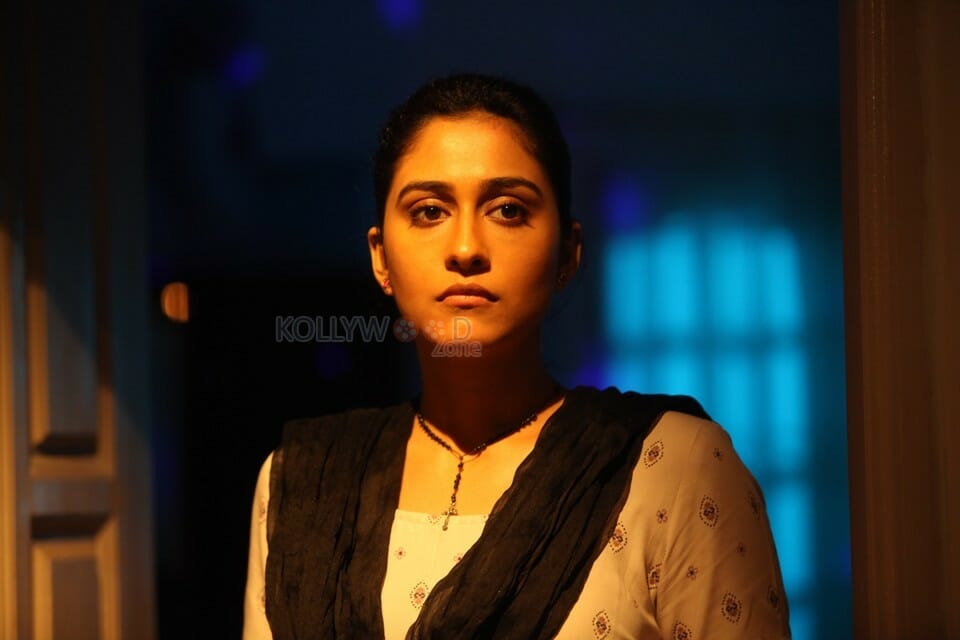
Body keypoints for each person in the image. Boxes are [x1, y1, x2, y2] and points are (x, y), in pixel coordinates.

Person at [243, 74, 791, 639]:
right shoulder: (300, 482)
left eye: (507, 210)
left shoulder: (672, 468)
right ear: (380, 257)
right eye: (429, 211)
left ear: (567, 253)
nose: (465, 249)